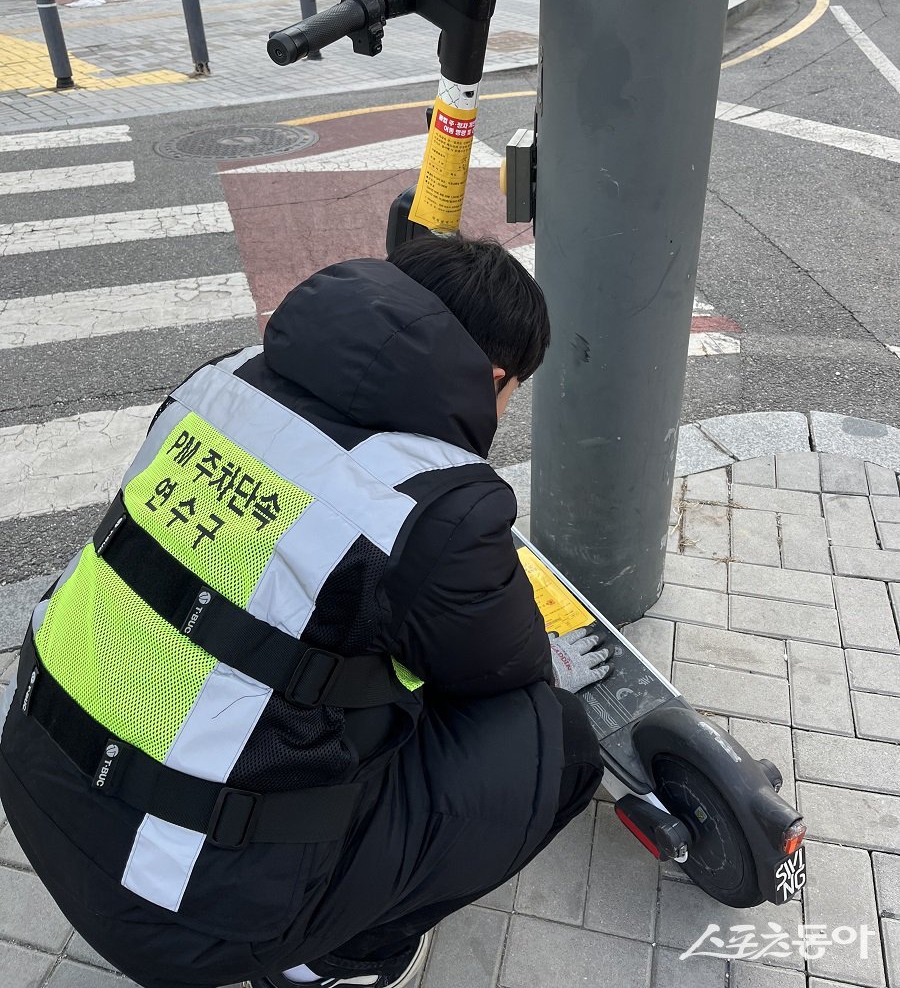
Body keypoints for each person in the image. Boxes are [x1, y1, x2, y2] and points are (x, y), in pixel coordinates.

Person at [0, 237, 608, 988]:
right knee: (555, 740)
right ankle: (333, 960)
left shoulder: (220, 383)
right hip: (176, 915)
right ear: (492, 378)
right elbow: (507, 668)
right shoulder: (437, 503)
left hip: (34, 776)